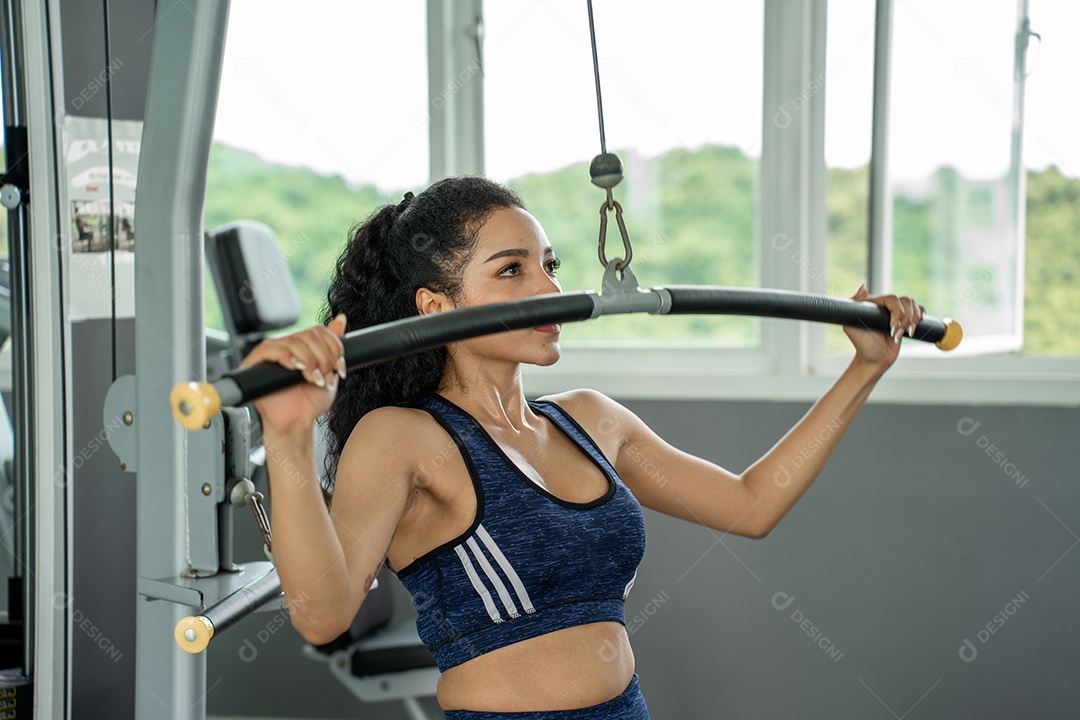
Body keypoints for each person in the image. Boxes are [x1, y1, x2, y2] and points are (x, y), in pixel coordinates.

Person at [240, 176, 924, 719]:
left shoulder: (590, 420)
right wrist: (289, 437)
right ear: (435, 307)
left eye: (550, 264)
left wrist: (863, 368)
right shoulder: (404, 437)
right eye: (512, 271)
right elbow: (323, 614)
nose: (549, 290)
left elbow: (751, 505)